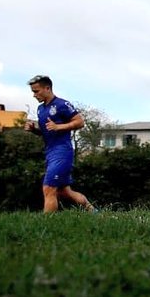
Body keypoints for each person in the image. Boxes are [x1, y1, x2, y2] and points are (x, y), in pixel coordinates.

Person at [24, 75, 96, 213]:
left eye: (36, 91)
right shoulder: (41, 109)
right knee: (64, 192)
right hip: (50, 152)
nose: (34, 95)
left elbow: (80, 122)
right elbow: (47, 132)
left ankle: (47, 225)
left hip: (62, 152)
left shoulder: (62, 104)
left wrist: (59, 127)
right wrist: (34, 130)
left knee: (49, 188)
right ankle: (94, 212)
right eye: (33, 91)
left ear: (47, 88)